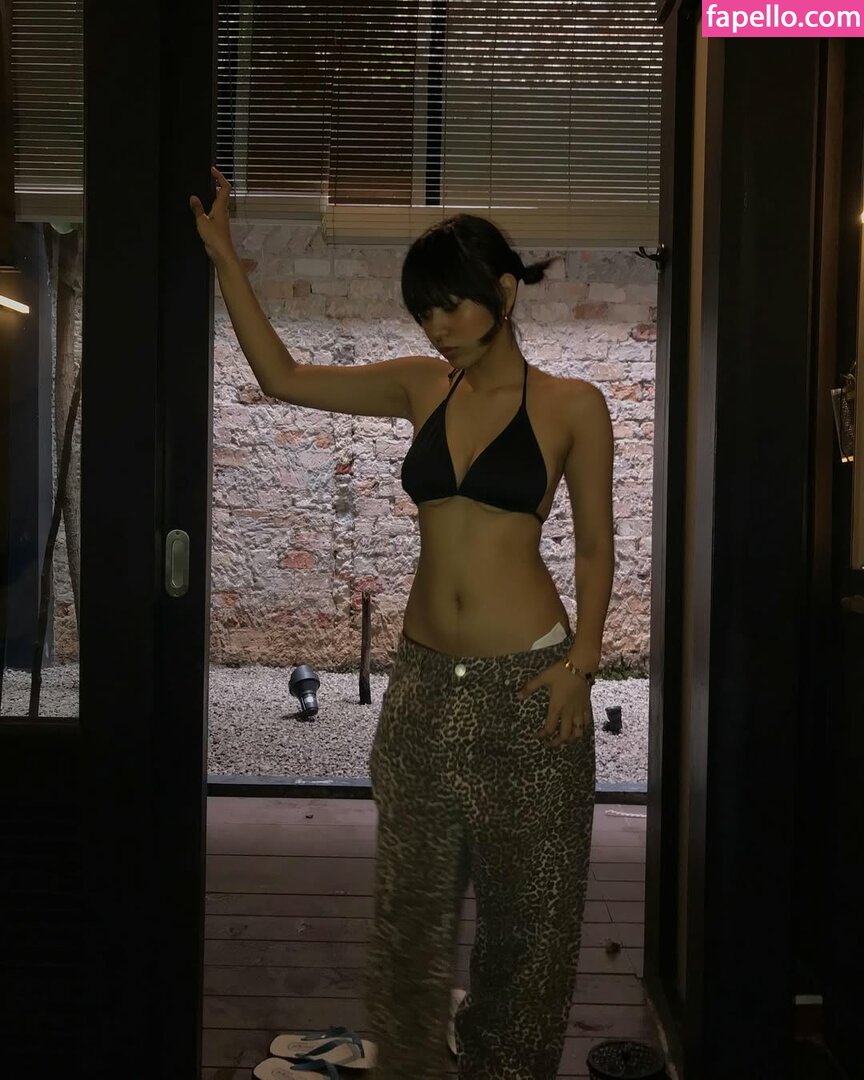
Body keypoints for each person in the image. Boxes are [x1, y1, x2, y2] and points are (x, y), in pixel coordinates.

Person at [191, 167, 615, 1080]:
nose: (436, 327)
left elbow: (593, 546)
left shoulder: (573, 404)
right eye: (424, 312)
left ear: (503, 293)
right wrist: (226, 256)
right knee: (408, 924)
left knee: (529, 928)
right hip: (423, 689)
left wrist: (582, 663)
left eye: (451, 305)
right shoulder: (425, 387)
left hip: (529, 687)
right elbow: (282, 376)